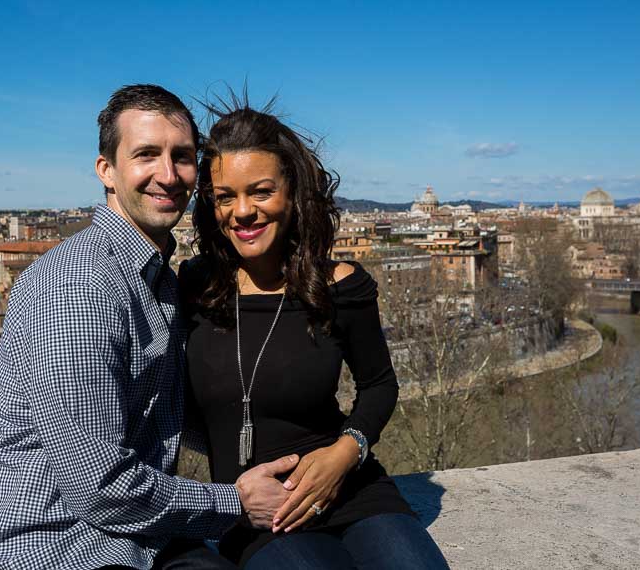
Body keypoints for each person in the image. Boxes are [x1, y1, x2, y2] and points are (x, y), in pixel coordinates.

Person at [0, 84, 299, 570]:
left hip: (142, 536)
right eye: (147, 154)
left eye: (182, 157)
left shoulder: (156, 276)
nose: (168, 175)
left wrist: (304, 450)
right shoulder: (79, 287)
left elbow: (169, 412)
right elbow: (95, 484)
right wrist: (238, 502)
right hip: (54, 543)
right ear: (107, 170)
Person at [180, 96, 450, 569]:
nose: (242, 211)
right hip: (259, 513)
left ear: (292, 193)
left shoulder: (339, 286)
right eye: (226, 196)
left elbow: (379, 385)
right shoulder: (194, 286)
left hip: (352, 490)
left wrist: (344, 455)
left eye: (260, 191)